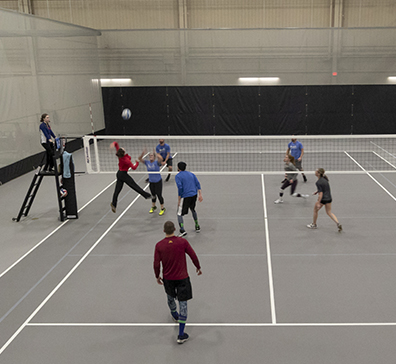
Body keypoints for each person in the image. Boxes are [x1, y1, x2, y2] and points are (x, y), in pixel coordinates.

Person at [154, 220, 202, 344]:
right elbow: (193, 255)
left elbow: (156, 264)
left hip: (168, 279)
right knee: (183, 304)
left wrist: (157, 276)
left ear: (164, 231)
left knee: (170, 298)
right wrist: (198, 266)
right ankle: (181, 334)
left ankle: (174, 314)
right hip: (182, 278)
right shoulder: (182, 242)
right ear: (175, 229)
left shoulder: (159, 245)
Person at [110, 141, 151, 213]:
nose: (122, 147)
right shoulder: (126, 160)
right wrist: (137, 162)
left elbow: (116, 144)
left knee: (117, 190)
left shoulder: (120, 156)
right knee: (134, 185)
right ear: (123, 152)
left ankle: (114, 204)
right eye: (122, 148)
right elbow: (134, 168)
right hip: (123, 175)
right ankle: (147, 195)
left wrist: (113, 144)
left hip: (119, 174)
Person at [175, 161, 203, 236]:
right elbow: (198, 184)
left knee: (179, 213)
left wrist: (179, 199)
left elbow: (180, 188)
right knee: (192, 209)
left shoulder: (178, 176)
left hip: (185, 196)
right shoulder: (191, 174)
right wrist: (200, 194)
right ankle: (197, 226)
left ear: (178, 168)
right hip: (194, 195)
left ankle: (182, 230)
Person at [138, 149, 166, 216]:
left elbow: (161, 159)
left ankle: (162, 208)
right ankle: (153, 206)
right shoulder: (147, 162)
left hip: (158, 182)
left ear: (154, 157)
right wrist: (142, 153)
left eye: (152, 156)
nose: (150, 156)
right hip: (151, 182)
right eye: (150, 155)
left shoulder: (157, 162)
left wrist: (157, 153)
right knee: (153, 195)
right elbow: (139, 159)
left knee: (159, 195)